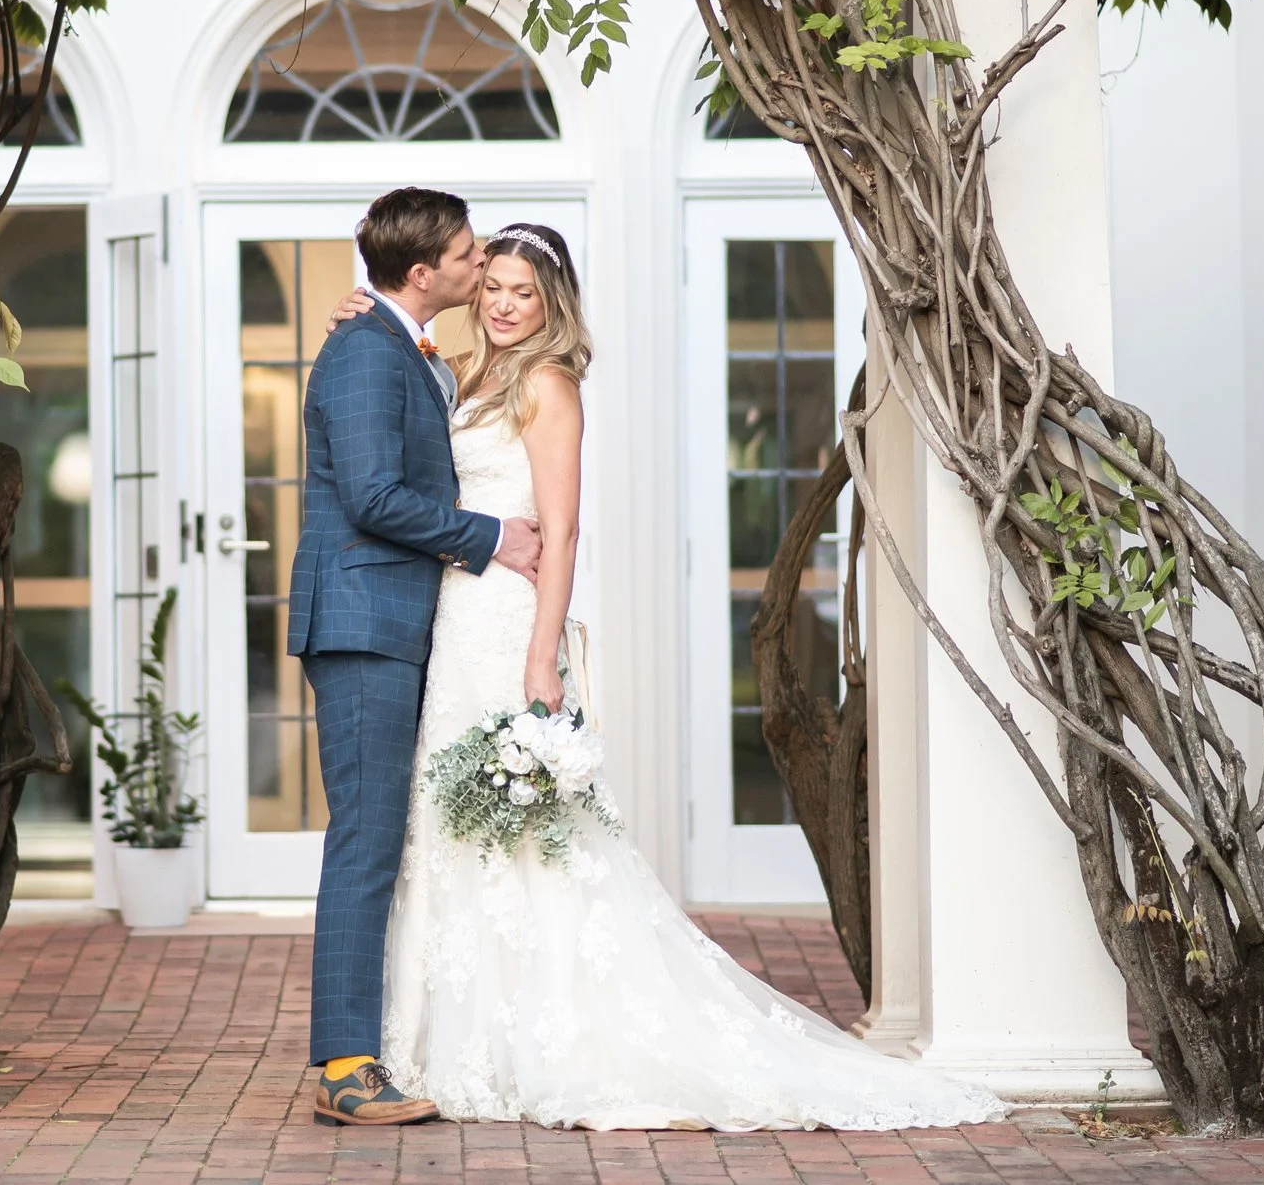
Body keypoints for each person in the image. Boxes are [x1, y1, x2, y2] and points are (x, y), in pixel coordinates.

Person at [326, 223, 1006, 1131]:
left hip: (504, 623)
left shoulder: (547, 383)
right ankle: (444, 1034)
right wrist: (360, 315)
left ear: (553, 304)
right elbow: (398, 386)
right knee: (444, 826)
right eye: (491, 283)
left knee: (530, 835)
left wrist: (541, 655)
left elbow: (561, 531)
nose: (499, 302)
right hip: (450, 619)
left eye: (522, 291)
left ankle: (546, 1033)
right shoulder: (458, 372)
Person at [289, 187, 544, 1127]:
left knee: (383, 839)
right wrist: (489, 537)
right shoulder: (366, 349)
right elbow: (371, 496)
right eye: (472, 255)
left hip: (392, 624)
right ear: (425, 269)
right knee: (365, 841)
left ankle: (369, 1046)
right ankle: (348, 1069)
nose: (484, 269)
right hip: (361, 624)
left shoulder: (399, 343)